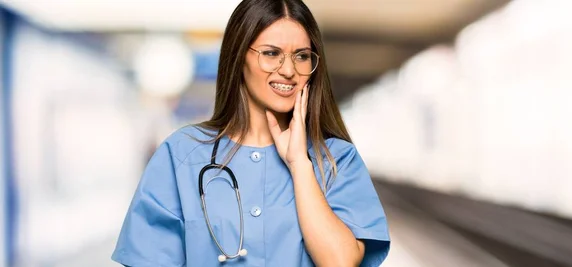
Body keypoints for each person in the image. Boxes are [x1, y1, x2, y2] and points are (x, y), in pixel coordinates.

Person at [111, 0, 390, 266]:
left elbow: (340, 263)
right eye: (271, 54)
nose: (289, 70)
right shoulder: (181, 155)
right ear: (238, 56)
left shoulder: (336, 160)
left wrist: (299, 165)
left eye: (302, 56)